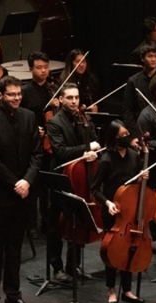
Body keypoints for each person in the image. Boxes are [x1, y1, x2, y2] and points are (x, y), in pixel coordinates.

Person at [0, 76, 42, 303]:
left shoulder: (28, 117)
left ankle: (13, 295)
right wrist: (16, 182)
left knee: (15, 249)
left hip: (22, 194)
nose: (16, 98)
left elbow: (36, 153)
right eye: (11, 94)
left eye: (18, 94)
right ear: (0, 96)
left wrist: (27, 180)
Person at [46, 82, 100, 281]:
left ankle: (73, 265)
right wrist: (85, 151)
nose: (74, 101)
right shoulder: (54, 122)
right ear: (61, 100)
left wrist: (93, 153)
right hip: (61, 177)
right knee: (56, 225)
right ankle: (57, 267)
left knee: (78, 221)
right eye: (69, 98)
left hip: (81, 177)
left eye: (76, 98)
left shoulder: (83, 119)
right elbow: (60, 151)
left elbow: (95, 143)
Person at [91, 120, 146, 303]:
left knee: (131, 247)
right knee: (112, 251)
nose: (126, 138)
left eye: (127, 134)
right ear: (114, 138)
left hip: (130, 211)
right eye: (122, 136)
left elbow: (137, 185)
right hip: (112, 211)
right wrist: (107, 203)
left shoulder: (134, 155)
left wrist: (141, 178)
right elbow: (95, 189)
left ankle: (128, 290)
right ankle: (111, 290)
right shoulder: (106, 160)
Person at [21, 50, 59, 239]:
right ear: (31, 69)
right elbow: (21, 117)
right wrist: (34, 130)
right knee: (33, 186)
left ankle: (47, 221)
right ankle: (30, 224)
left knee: (47, 186)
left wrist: (58, 107)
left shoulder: (53, 89)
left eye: (46, 67)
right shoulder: (25, 91)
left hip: (50, 144)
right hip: (32, 142)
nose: (43, 71)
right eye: (39, 67)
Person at [122, 42, 156, 147]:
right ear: (142, 58)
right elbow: (128, 111)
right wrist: (133, 137)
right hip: (141, 128)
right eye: (150, 56)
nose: (153, 59)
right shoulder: (133, 81)